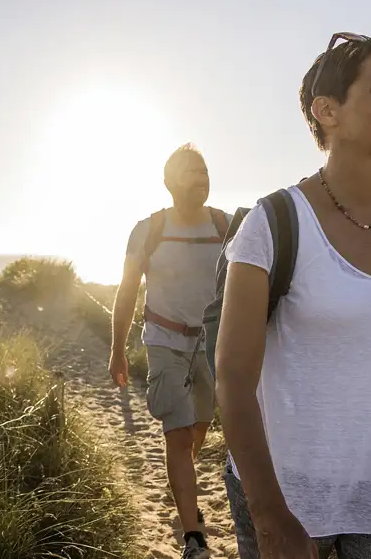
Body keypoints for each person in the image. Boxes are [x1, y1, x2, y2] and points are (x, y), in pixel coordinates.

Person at [215, 32, 371, 558]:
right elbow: (233, 379)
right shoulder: (274, 223)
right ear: (328, 111)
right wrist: (270, 517)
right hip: (288, 493)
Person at [109, 143, 231, 559]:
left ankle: (182, 482)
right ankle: (194, 537)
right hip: (163, 341)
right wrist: (117, 349)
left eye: (205, 171)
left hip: (210, 346)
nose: (202, 179)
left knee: (197, 430)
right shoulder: (148, 229)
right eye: (191, 172)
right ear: (169, 183)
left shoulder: (226, 226)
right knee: (177, 434)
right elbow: (127, 292)